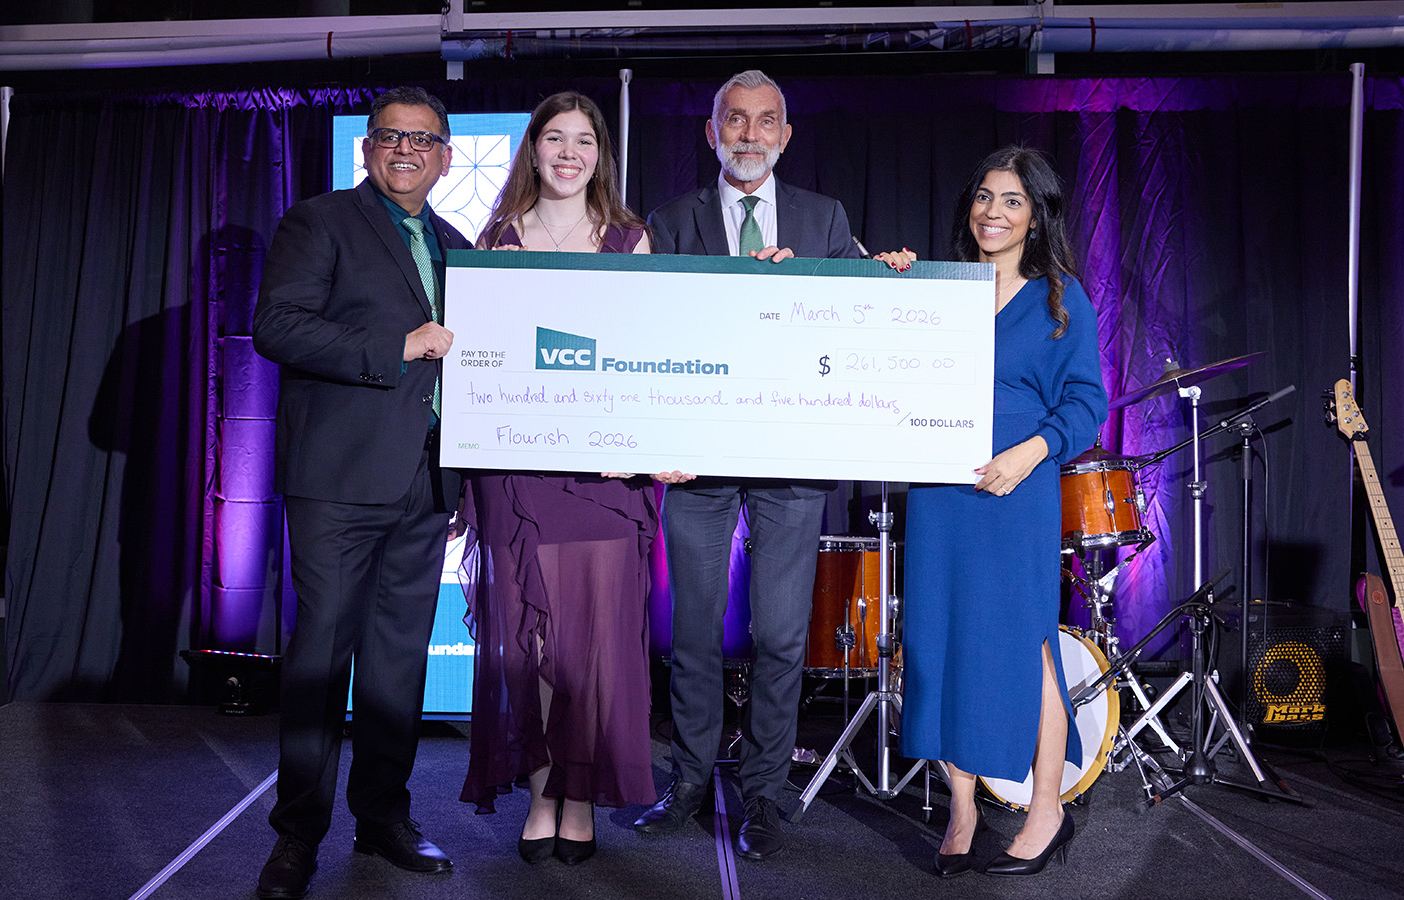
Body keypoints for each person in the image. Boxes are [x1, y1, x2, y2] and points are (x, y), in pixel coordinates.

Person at [632, 69, 861, 862]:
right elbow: (649, 331)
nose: (750, 134)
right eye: (736, 120)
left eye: (766, 121)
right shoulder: (670, 220)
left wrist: (859, 279)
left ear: (785, 136)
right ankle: (691, 781)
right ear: (712, 132)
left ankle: (764, 787)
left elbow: (854, 323)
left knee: (784, 636)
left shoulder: (825, 218)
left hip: (792, 457)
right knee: (692, 633)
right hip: (697, 460)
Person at [250, 86, 469, 899]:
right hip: (338, 482)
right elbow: (277, 325)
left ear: (446, 157)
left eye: (422, 139)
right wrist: (395, 345)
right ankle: (296, 835)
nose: (406, 150)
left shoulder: (454, 244)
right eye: (390, 136)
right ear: (368, 148)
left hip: (424, 480)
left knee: (397, 663)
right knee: (321, 658)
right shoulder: (320, 222)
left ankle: (382, 816)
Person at [457, 91, 658, 867]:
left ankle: (582, 796)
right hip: (520, 471)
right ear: (533, 149)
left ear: (600, 155)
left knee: (594, 644)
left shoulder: (631, 240)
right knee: (531, 641)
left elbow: (648, 354)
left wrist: (644, 442)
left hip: (604, 476)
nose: (569, 153)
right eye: (554, 139)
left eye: (584, 141)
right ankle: (544, 790)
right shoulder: (496, 240)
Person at [898, 146, 1107, 879]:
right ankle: (962, 809)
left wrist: (1030, 452)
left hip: (1016, 491)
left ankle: (1047, 810)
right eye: (984, 197)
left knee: (1025, 645)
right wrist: (888, 285)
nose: (993, 212)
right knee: (938, 642)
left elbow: (1087, 403)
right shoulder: (938, 287)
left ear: (1036, 216)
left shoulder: (1060, 298)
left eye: (1012, 201)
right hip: (939, 490)